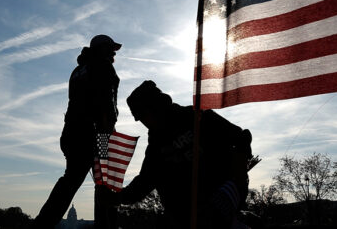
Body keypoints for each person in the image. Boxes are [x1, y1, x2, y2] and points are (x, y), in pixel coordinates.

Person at [106, 80, 252, 229]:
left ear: (156, 107)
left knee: (213, 217)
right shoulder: (156, 147)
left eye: (144, 115)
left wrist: (239, 165)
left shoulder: (197, 117)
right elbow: (144, 182)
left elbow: (241, 138)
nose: (144, 122)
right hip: (187, 214)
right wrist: (118, 197)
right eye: (140, 118)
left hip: (223, 191)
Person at [32, 35, 122, 229]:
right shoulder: (103, 66)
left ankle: (41, 224)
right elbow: (106, 101)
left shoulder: (78, 70)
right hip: (97, 133)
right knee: (105, 183)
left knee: (69, 182)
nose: (114, 53)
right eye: (111, 49)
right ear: (102, 49)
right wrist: (107, 135)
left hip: (72, 133)